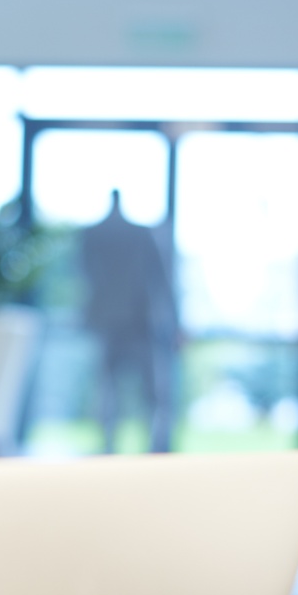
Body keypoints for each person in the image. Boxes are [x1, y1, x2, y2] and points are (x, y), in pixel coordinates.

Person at [78, 190, 178, 453]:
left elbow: (83, 274)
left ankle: (132, 446)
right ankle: (125, 446)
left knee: (141, 393)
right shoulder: (103, 234)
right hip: (128, 323)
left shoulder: (96, 233)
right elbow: (162, 280)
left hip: (136, 324)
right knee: (121, 392)